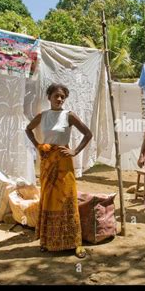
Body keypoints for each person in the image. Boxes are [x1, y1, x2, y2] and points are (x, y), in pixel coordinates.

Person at [26, 83, 92, 258]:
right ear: (49, 97)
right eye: (56, 96)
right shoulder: (42, 116)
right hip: (47, 163)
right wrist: (39, 146)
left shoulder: (68, 116)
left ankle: (75, 242)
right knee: (48, 200)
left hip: (64, 164)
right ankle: (47, 240)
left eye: (62, 96)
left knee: (68, 199)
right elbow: (28, 129)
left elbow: (88, 134)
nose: (59, 99)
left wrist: (75, 151)